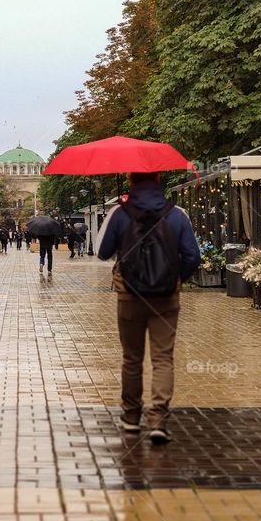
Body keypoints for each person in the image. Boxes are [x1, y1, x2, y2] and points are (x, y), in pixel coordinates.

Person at [97, 172, 200, 445]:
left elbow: (103, 252)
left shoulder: (120, 213)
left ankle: (131, 417)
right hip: (166, 298)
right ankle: (158, 419)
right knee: (163, 358)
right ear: (157, 179)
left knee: (132, 358)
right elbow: (192, 255)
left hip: (130, 296)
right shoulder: (177, 213)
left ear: (131, 179)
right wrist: (177, 279)